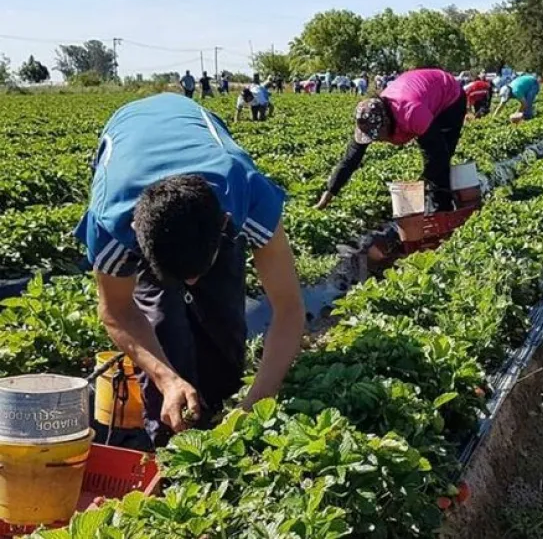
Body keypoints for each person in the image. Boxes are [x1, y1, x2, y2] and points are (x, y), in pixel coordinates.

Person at [74, 93, 304, 448]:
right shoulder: (110, 223)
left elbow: (289, 307)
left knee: (224, 316)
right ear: (138, 239)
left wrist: (257, 401)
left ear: (225, 225)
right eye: (178, 273)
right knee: (162, 321)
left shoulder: (245, 192)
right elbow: (117, 310)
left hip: (198, 145)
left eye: (200, 268)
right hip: (128, 143)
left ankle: (219, 404)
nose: (191, 282)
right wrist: (167, 379)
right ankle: (168, 439)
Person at [314, 69, 466, 213]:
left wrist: (420, 184)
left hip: (449, 96)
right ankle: (432, 206)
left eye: (377, 135)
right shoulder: (367, 121)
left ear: (386, 122)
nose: (376, 140)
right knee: (434, 163)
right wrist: (330, 191)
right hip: (421, 93)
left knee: (441, 156)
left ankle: (442, 210)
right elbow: (350, 159)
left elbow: (437, 155)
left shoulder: (411, 113)